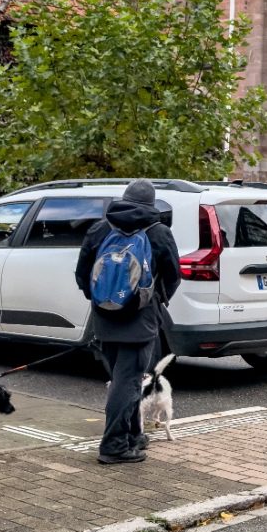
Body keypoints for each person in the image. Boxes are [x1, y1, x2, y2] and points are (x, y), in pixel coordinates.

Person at [75, 179, 181, 465]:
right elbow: (173, 276)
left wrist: (102, 300)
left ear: (124, 198)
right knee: (128, 384)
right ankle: (114, 446)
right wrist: (156, 300)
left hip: (104, 316)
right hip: (141, 319)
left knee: (124, 380)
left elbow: (82, 273)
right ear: (151, 203)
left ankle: (133, 435)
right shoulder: (159, 232)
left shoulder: (100, 229)